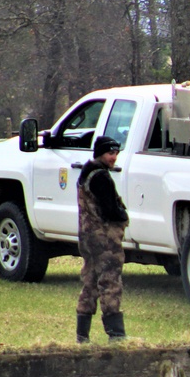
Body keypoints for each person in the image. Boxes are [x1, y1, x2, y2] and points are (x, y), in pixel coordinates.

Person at [76, 136, 129, 343]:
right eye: (110, 153)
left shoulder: (85, 174)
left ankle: (82, 336)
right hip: (104, 238)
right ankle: (116, 335)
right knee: (110, 281)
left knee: (90, 281)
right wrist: (123, 214)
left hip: (87, 236)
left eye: (116, 153)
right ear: (100, 153)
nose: (114, 158)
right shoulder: (101, 177)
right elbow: (110, 210)